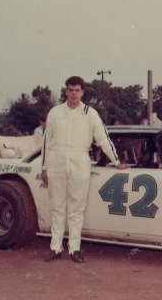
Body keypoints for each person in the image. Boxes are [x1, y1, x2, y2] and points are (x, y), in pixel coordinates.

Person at [41, 76, 128, 264]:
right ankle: (55, 248)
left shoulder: (91, 114)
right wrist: (44, 167)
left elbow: (103, 139)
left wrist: (116, 161)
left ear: (82, 92)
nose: (73, 93)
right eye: (70, 90)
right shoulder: (55, 113)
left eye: (77, 90)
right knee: (57, 207)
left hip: (79, 161)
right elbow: (47, 142)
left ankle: (75, 249)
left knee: (76, 208)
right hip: (56, 161)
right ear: (66, 91)